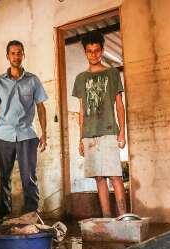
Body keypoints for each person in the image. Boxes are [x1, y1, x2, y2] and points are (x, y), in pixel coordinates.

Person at [0, 40, 48, 221]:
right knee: (4, 179)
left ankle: (31, 216)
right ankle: (3, 218)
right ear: (7, 56)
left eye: (19, 53)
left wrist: (44, 133)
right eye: (13, 53)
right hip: (3, 135)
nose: (16, 56)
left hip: (27, 135)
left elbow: (41, 107)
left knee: (29, 178)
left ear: (23, 55)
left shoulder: (33, 80)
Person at [72, 31, 127, 218]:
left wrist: (122, 133)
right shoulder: (80, 79)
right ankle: (106, 220)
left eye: (97, 50)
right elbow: (81, 111)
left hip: (109, 131)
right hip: (89, 135)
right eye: (89, 51)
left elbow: (120, 106)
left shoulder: (112, 73)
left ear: (102, 51)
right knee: (99, 178)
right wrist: (80, 139)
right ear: (85, 53)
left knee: (116, 177)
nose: (93, 54)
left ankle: (124, 219)